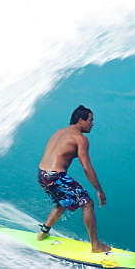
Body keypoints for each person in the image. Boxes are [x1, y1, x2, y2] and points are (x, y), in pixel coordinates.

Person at [35, 105, 110, 253]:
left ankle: (42, 233)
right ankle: (96, 245)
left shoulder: (59, 132)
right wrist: (99, 189)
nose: (92, 124)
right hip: (56, 176)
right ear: (81, 120)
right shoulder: (80, 139)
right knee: (87, 203)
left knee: (63, 201)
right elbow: (87, 167)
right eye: (90, 120)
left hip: (42, 174)